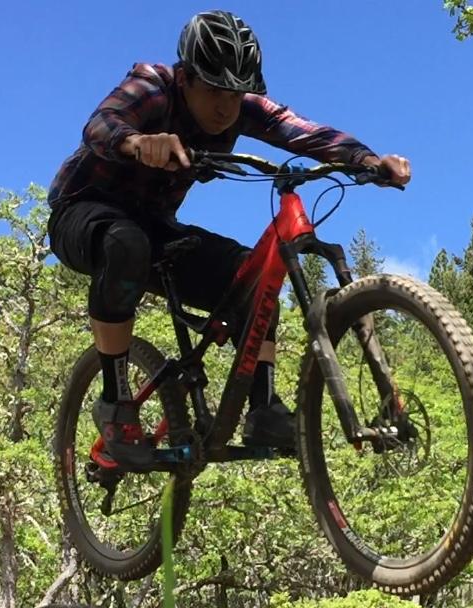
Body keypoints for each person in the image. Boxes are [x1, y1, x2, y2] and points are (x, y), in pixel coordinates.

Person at [47, 10, 410, 469]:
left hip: (156, 228)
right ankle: (115, 402)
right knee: (126, 243)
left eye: (236, 94)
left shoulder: (241, 109)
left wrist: (366, 159)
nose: (226, 107)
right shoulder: (153, 87)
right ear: (187, 78)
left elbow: (302, 131)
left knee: (254, 278)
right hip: (83, 214)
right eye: (215, 91)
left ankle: (264, 408)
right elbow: (102, 124)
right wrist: (138, 142)